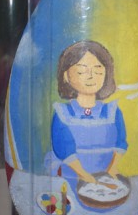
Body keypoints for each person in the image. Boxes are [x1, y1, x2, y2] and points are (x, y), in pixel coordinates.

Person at [48, 40, 128, 189]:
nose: (91, 76)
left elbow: (120, 142)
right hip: (70, 180)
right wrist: (83, 175)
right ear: (66, 76)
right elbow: (63, 149)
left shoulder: (113, 112)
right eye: (81, 71)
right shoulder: (62, 114)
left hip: (105, 180)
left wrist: (112, 168)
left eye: (98, 71)